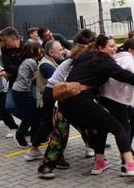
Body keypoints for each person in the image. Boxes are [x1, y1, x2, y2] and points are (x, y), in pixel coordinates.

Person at [60, 34, 134, 177]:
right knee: (119, 128)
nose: (114, 49)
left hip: (66, 104)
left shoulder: (87, 57)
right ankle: (130, 165)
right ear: (101, 48)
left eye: (115, 45)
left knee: (102, 126)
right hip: (81, 100)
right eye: (110, 46)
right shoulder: (102, 59)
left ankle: (100, 162)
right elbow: (125, 75)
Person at [37, 43, 93, 179]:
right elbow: (66, 89)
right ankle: (47, 164)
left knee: (86, 125)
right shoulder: (73, 65)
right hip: (59, 95)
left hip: (71, 97)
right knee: (60, 131)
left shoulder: (80, 63)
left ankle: (94, 150)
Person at [99, 38, 134, 161]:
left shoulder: (120, 57)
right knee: (123, 127)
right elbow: (132, 80)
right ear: (131, 50)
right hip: (113, 98)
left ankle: (127, 150)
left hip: (110, 96)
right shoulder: (128, 59)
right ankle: (126, 160)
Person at [26, 40, 65, 161]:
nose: (63, 51)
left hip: (51, 99)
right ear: (51, 52)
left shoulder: (51, 61)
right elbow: (58, 79)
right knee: (52, 127)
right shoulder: (45, 65)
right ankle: (55, 156)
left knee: (48, 126)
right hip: (48, 100)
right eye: (60, 50)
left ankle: (34, 150)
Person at [12, 42, 43, 149]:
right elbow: (39, 77)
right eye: (39, 48)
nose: (41, 50)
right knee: (30, 116)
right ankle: (20, 136)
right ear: (33, 51)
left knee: (34, 114)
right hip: (21, 92)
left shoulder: (29, 61)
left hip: (22, 91)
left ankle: (36, 138)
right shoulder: (31, 62)